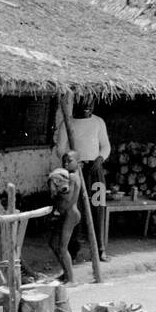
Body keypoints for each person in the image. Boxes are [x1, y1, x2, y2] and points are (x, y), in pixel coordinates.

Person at [56, 99, 109, 261]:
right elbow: (60, 149)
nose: (88, 107)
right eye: (84, 104)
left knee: (98, 207)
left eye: (91, 104)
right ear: (76, 104)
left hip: (96, 171)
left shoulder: (98, 122)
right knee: (75, 209)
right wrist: (73, 162)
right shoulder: (67, 123)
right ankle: (73, 250)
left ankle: (100, 249)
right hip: (76, 172)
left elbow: (106, 145)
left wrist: (100, 158)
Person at [46, 154, 83, 284]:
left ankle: (71, 279)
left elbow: (68, 199)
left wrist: (57, 189)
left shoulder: (73, 177)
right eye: (64, 161)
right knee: (53, 243)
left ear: (78, 161)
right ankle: (66, 273)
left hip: (70, 214)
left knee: (62, 247)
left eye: (70, 161)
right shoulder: (67, 175)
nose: (66, 163)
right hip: (65, 214)